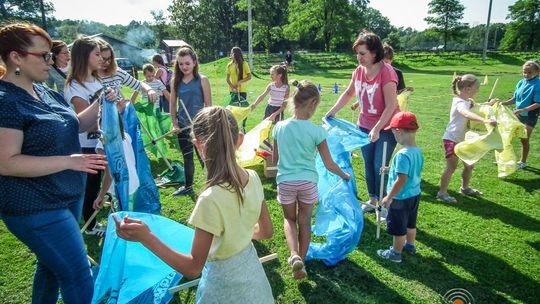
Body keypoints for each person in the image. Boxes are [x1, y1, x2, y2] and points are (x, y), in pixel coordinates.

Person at [114, 106, 274, 303]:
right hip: (253, 278)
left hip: (223, 288)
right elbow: (266, 231)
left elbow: (192, 268)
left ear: (198, 144)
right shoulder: (254, 177)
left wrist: (146, 237)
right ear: (239, 139)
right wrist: (238, 234)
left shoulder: (210, 199)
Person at [0, 23, 108, 303]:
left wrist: (101, 100)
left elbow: (75, 124)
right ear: (16, 57)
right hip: (35, 206)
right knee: (78, 274)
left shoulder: (44, 91)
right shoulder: (6, 102)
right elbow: (7, 163)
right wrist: (69, 161)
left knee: (50, 268)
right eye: (44, 55)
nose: (53, 61)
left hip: (64, 195)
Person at [273, 80, 350, 279]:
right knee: (305, 221)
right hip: (308, 183)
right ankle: (303, 262)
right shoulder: (318, 131)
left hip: (286, 182)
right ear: (314, 103)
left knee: (289, 219)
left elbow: (275, 159)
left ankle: (294, 254)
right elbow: (329, 164)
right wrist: (344, 175)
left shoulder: (279, 127)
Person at [326, 30, 399, 213]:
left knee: (379, 166)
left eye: (362, 54)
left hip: (387, 127)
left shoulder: (387, 72)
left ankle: (385, 205)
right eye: (357, 53)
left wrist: (376, 129)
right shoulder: (358, 72)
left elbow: (391, 106)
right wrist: (333, 111)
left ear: (374, 53)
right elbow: (349, 93)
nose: (358, 57)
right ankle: (373, 200)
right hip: (364, 126)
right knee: (368, 164)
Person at [64, 36, 108, 236]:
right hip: (86, 145)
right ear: (84, 56)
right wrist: (103, 101)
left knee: (99, 182)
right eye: (97, 54)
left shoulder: (97, 79)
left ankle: (92, 218)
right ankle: (90, 226)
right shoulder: (74, 85)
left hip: (102, 141)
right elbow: (84, 123)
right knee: (90, 185)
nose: (101, 58)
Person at [437, 74, 497, 203]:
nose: (478, 90)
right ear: (467, 88)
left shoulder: (468, 101)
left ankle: (465, 188)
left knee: (469, 165)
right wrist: (484, 120)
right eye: (476, 87)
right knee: (451, 167)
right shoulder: (459, 102)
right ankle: (442, 193)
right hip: (451, 138)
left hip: (464, 139)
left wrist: (489, 104)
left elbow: (476, 108)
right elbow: (466, 113)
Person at [376, 112, 423, 263]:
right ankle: (410, 245)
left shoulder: (402, 154)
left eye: (393, 133)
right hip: (414, 194)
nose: (393, 136)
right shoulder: (417, 151)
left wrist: (389, 197)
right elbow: (408, 171)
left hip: (400, 198)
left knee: (398, 228)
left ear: (399, 132)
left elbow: (402, 179)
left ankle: (396, 254)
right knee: (410, 223)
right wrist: (390, 169)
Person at [170, 47, 212, 196]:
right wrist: (175, 124)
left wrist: (207, 125)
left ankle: (213, 184)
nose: (184, 67)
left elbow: (209, 106)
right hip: (183, 125)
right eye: (181, 64)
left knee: (204, 156)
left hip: (200, 125)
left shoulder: (202, 80)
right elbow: (173, 105)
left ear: (194, 62)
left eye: (187, 63)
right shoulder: (175, 81)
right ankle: (188, 186)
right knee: (187, 156)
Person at [499, 60, 540, 169]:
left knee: (524, 138)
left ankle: (522, 161)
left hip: (530, 116)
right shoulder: (521, 82)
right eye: (524, 72)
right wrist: (501, 102)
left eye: (529, 72)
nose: (526, 75)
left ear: (537, 72)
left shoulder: (538, 84)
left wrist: (523, 110)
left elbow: (538, 103)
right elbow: (514, 99)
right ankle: (506, 159)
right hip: (518, 114)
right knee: (508, 137)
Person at [96, 38, 158, 104]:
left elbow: (138, 84)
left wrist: (149, 90)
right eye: (103, 59)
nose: (107, 62)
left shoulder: (117, 72)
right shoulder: (88, 77)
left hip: (119, 113)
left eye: (109, 59)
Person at [226, 47, 251, 131]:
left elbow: (249, 77)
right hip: (233, 91)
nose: (230, 54)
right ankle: (233, 126)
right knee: (232, 109)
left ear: (235, 54)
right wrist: (232, 87)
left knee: (243, 109)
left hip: (242, 91)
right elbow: (227, 79)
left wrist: (240, 82)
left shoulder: (244, 64)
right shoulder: (229, 65)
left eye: (231, 53)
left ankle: (243, 126)